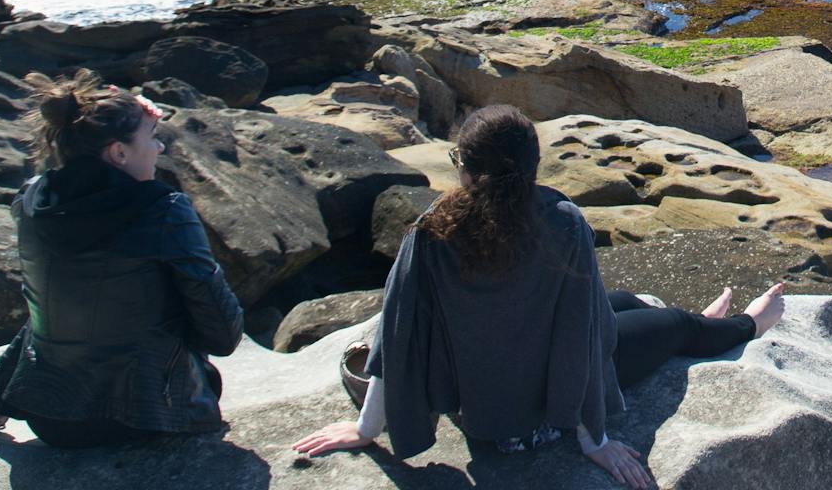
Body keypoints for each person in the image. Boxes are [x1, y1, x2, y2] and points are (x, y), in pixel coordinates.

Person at [292, 104, 786, 487]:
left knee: (626, 301)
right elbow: (580, 338)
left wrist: (366, 428)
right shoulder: (562, 224)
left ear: (465, 168)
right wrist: (596, 440)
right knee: (676, 326)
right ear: (533, 167)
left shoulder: (428, 232)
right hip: (540, 419)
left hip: (475, 410)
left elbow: (398, 334)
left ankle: (684, 316)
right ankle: (749, 323)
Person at [0, 73, 244, 447]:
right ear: (118, 152)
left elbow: (68, 177)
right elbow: (223, 334)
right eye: (152, 139)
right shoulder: (163, 209)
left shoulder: (29, 201)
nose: (159, 149)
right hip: (149, 418)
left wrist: (123, 115)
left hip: (50, 418)